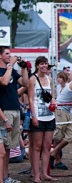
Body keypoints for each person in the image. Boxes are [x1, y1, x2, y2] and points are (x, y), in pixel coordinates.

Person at [0, 46, 29, 183]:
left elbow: (26, 84)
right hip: (4, 111)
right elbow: (4, 82)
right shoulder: (3, 71)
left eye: (10, 54)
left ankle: (6, 177)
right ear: (0, 56)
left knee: (9, 147)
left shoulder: (12, 70)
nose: (9, 55)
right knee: (3, 149)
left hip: (16, 110)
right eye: (6, 53)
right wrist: (10, 65)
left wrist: (24, 69)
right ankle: (3, 177)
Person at [27, 56, 57, 182]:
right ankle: (36, 174)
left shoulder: (49, 79)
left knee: (46, 146)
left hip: (49, 116)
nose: (44, 66)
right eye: (42, 64)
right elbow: (30, 99)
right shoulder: (32, 79)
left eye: (46, 64)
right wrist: (33, 116)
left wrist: (54, 102)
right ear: (37, 65)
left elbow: (52, 95)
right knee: (36, 147)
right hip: (38, 116)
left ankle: (45, 173)